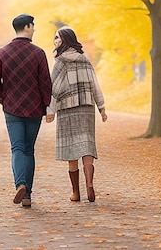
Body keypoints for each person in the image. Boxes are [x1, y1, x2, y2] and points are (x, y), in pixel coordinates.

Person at [0, 14, 52, 208]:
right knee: (28, 149)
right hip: (34, 109)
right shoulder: (38, 53)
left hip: (12, 109)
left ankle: (20, 184)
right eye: (33, 25)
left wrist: (4, 100)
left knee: (17, 148)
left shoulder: (2, 52)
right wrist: (47, 105)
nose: (34, 29)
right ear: (27, 26)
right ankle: (27, 195)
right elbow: (45, 83)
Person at [46, 26, 107, 202]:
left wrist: (50, 111)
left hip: (67, 108)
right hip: (87, 108)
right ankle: (89, 183)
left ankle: (76, 192)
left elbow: (53, 87)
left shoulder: (61, 61)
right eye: (54, 38)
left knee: (71, 149)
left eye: (57, 38)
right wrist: (101, 107)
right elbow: (95, 84)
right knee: (87, 145)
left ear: (65, 39)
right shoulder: (85, 59)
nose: (55, 41)